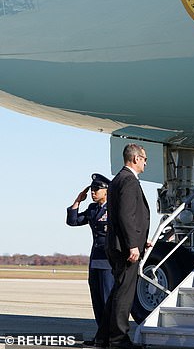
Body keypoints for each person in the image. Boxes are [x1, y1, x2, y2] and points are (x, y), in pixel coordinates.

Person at [95, 144, 151, 349]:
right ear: (136, 159)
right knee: (124, 294)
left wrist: (140, 239)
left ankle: (103, 337)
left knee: (118, 290)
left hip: (119, 244)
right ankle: (118, 339)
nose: (146, 162)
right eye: (145, 158)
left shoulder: (118, 180)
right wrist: (132, 245)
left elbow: (126, 217)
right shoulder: (128, 180)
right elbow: (126, 215)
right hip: (125, 248)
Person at [66, 173, 114, 346]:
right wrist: (78, 200)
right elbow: (73, 221)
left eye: (97, 189)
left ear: (106, 191)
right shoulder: (93, 209)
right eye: (92, 189)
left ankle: (110, 337)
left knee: (108, 299)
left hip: (109, 260)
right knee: (97, 300)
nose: (93, 192)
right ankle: (101, 336)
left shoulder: (114, 209)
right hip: (95, 260)